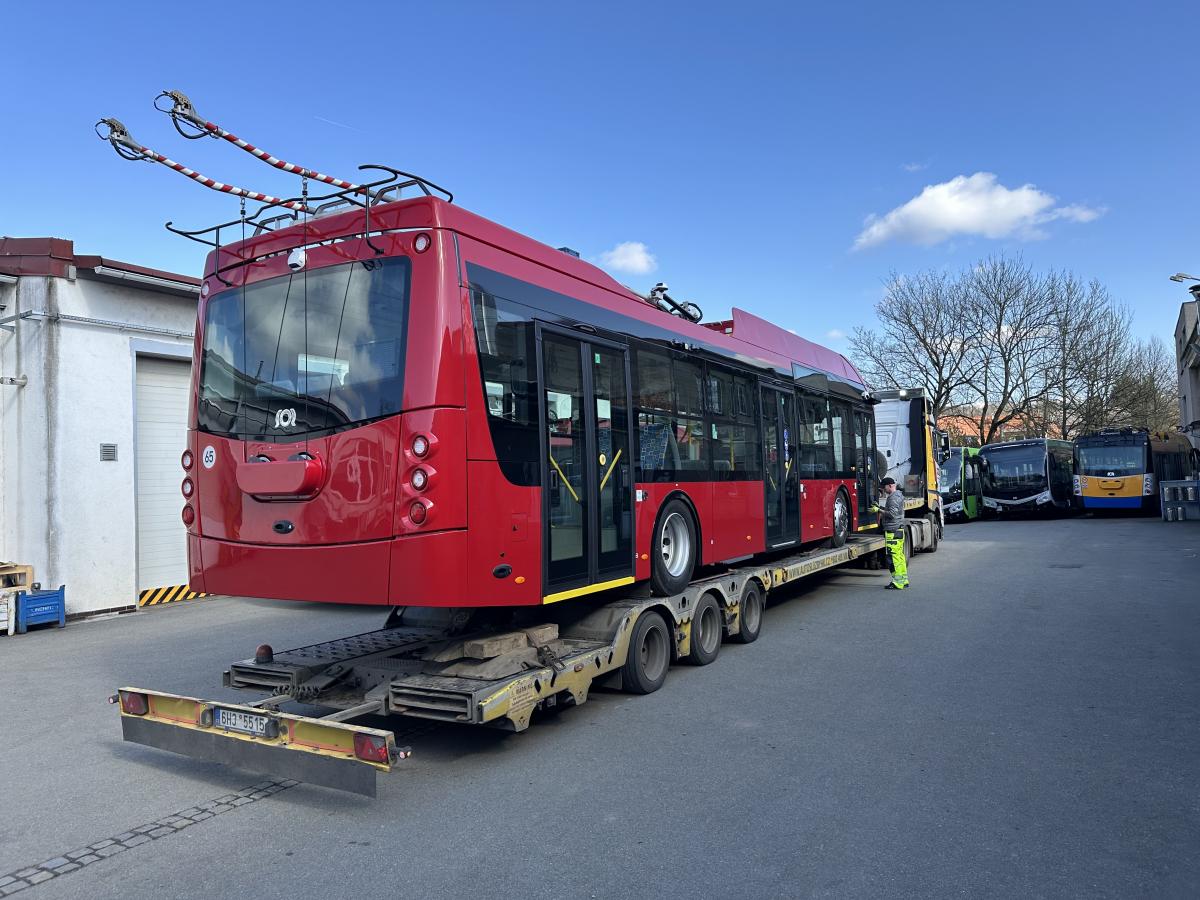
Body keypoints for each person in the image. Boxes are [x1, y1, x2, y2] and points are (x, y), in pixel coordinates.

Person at [875, 477, 909, 590]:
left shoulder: (893, 498)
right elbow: (893, 511)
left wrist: (878, 511)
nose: (883, 490)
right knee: (899, 556)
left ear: (890, 485)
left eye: (884, 487)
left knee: (893, 557)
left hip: (892, 531)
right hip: (898, 530)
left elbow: (892, 514)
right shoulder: (898, 495)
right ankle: (904, 580)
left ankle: (897, 582)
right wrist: (881, 508)